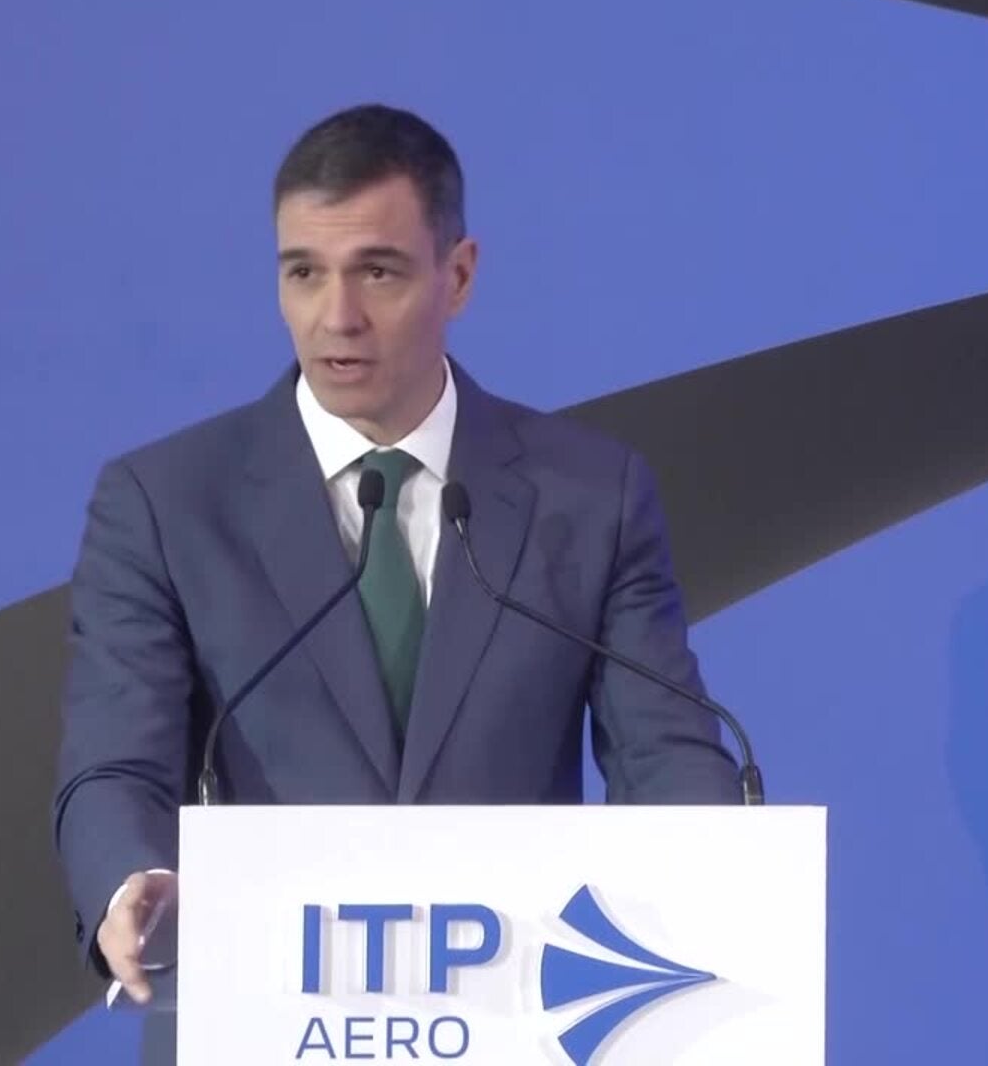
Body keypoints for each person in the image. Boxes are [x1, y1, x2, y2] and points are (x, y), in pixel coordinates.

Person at [52, 103, 741, 1009]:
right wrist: (128, 884)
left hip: (513, 1014)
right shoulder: (167, 502)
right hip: (263, 1012)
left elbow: (664, 754)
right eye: (304, 273)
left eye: (377, 272)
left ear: (458, 276)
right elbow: (116, 763)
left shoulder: (588, 496)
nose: (337, 318)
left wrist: (719, 888)